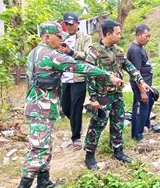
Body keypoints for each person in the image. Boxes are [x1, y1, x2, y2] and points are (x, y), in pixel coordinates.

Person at [12, 21, 123, 188]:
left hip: (42, 106)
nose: (61, 40)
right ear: (47, 37)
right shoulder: (49, 55)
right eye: (58, 36)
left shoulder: (35, 52)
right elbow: (80, 67)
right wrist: (107, 75)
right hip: (41, 108)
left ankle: (43, 181)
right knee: (39, 147)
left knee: (46, 145)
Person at [84, 20, 150, 170]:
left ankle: (118, 151)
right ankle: (89, 155)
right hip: (102, 95)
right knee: (97, 125)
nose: (120, 35)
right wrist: (93, 98)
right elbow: (89, 75)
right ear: (108, 34)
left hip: (116, 95)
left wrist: (140, 81)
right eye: (117, 33)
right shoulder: (94, 52)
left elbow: (130, 67)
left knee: (118, 123)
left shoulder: (118, 51)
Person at [60, 12, 92, 151]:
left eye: (71, 24)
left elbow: (87, 55)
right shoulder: (62, 37)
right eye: (67, 24)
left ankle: (76, 137)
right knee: (66, 107)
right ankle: (76, 125)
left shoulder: (86, 38)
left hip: (78, 77)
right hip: (64, 78)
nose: (69, 27)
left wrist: (71, 52)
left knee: (76, 108)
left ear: (78, 24)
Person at [127, 24, 155, 141]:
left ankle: (144, 126)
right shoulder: (134, 50)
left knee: (147, 104)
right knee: (139, 108)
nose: (148, 39)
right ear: (138, 35)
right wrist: (142, 91)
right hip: (140, 85)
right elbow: (136, 73)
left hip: (145, 84)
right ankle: (137, 135)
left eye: (149, 36)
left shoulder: (141, 47)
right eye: (146, 36)